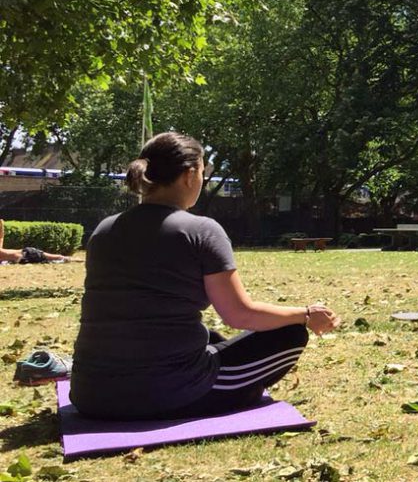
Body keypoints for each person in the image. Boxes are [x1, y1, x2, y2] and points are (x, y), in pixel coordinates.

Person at [70, 133, 339, 420]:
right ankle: (225, 389)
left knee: (206, 335)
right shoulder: (201, 230)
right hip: (165, 393)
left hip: (91, 393)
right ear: (188, 175)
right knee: (289, 333)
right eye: (202, 172)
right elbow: (240, 315)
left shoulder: (104, 230)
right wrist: (306, 314)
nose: (201, 180)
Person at [0, 218, 81, 264]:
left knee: (56, 258)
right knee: (53, 259)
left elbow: (1, 240)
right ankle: (74, 259)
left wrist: (2, 230)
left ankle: (76, 260)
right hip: (26, 255)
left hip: (28, 254)